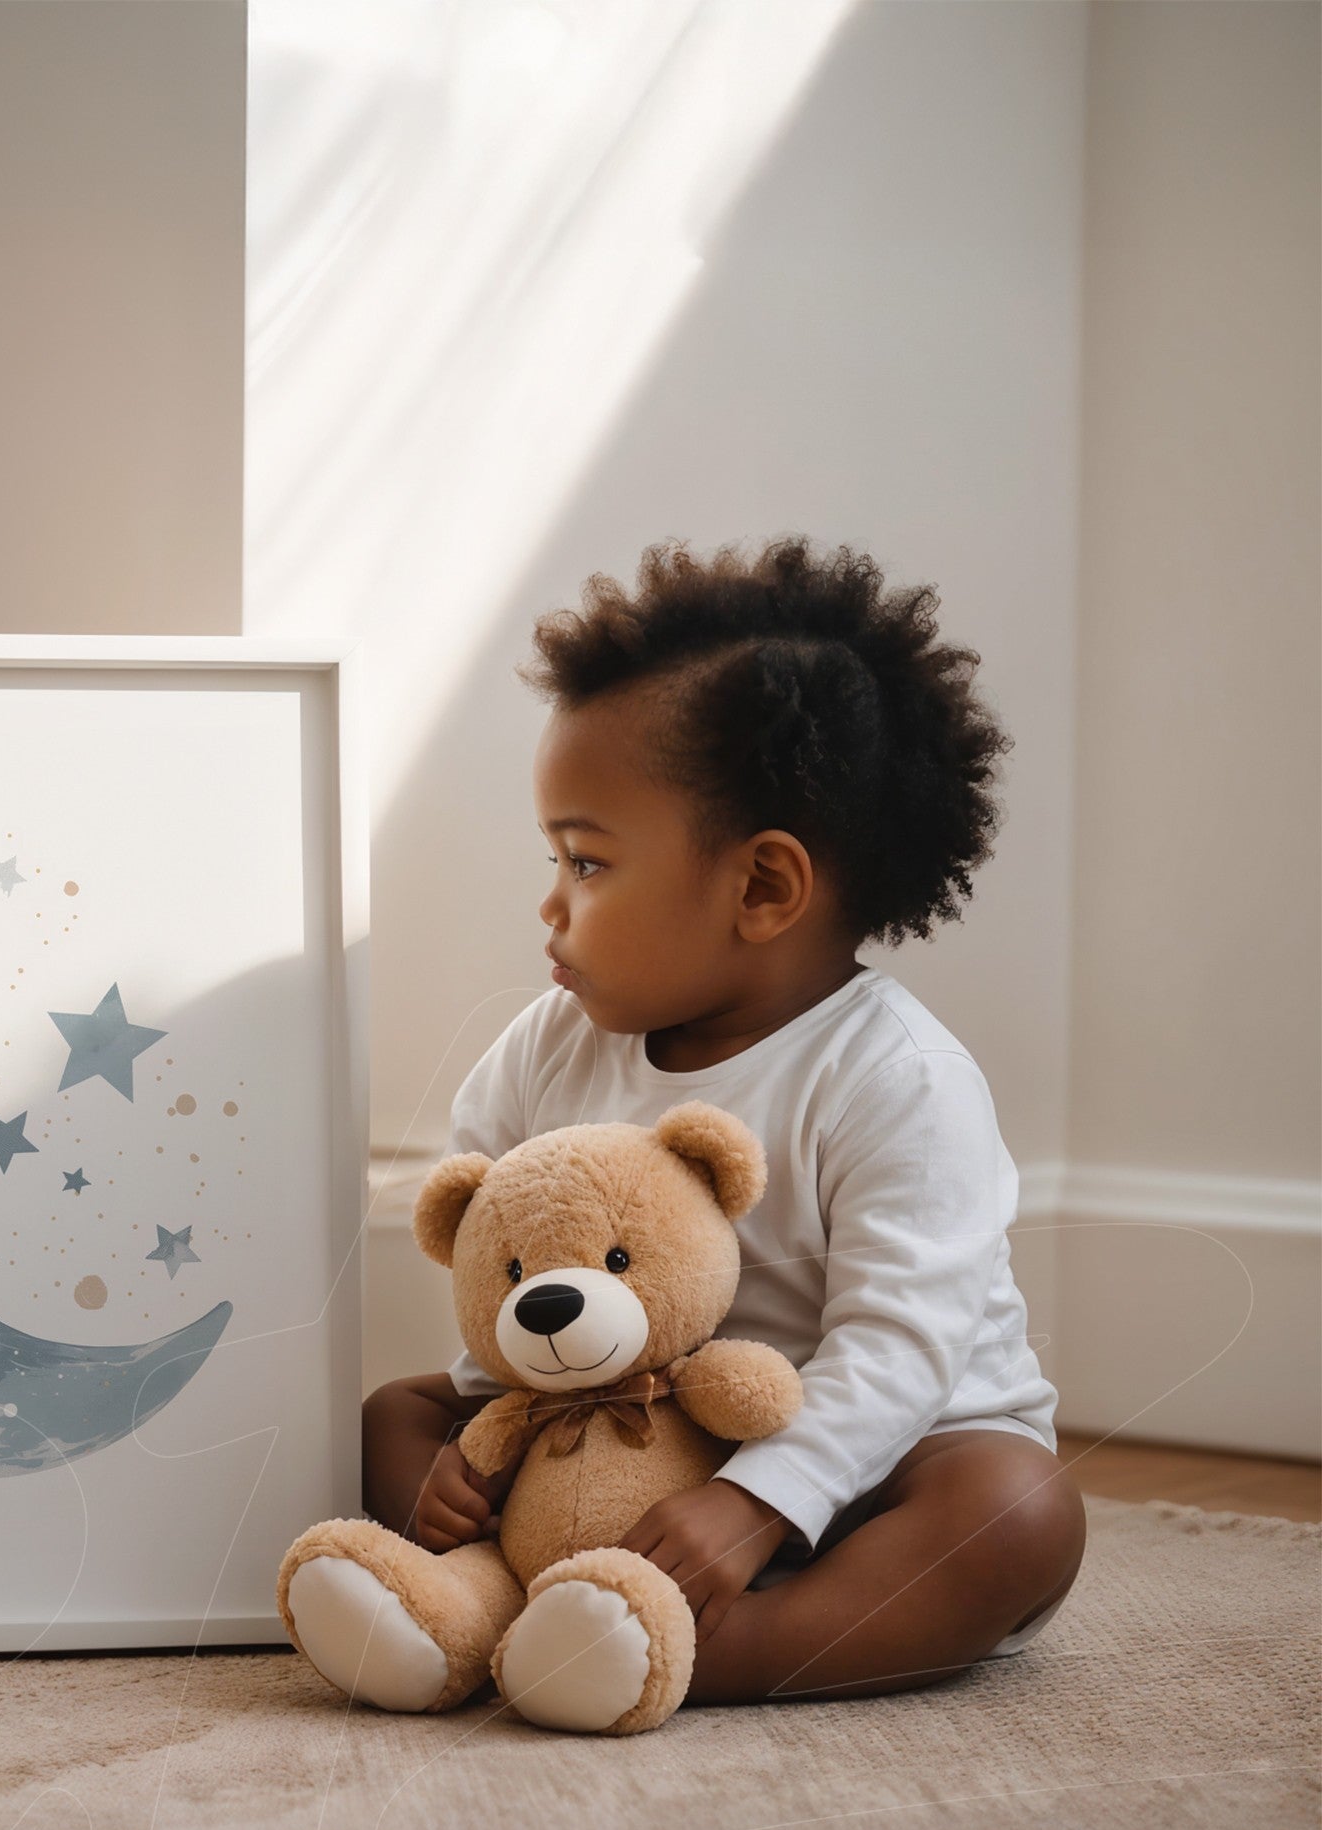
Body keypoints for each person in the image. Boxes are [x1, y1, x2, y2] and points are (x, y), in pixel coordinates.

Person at [364, 535, 1086, 1704]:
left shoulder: (896, 1077)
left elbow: (897, 1350)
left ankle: (697, 1649)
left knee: (1015, 1509)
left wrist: (756, 1501)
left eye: (585, 863)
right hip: (606, 1432)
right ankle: (469, 1581)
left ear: (760, 887)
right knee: (390, 1416)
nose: (548, 904)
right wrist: (478, 1449)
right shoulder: (547, 1045)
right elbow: (497, 1265)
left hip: (865, 1470)